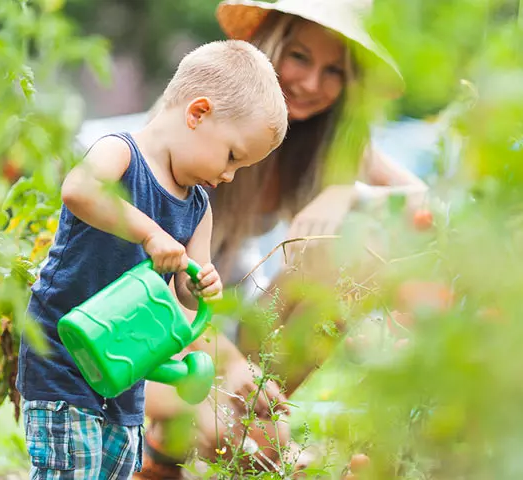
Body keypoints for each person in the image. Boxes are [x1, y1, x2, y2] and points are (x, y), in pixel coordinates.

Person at [139, 0, 429, 478]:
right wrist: (228, 363)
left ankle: (248, 414)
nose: (312, 83)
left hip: (233, 316)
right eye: (298, 57)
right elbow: (161, 281)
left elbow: (422, 205)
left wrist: (345, 192)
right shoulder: (205, 119)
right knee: (235, 438)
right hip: (170, 318)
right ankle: (167, 443)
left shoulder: (329, 141)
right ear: (269, 46)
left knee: (358, 250)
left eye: (333, 70)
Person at [15, 39, 289, 479]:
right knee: (71, 466)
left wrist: (201, 287)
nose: (229, 175)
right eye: (232, 156)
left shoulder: (198, 208)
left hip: (126, 366)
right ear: (197, 114)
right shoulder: (119, 154)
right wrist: (150, 233)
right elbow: (79, 190)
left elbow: (184, 289)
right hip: (64, 352)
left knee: (116, 464)